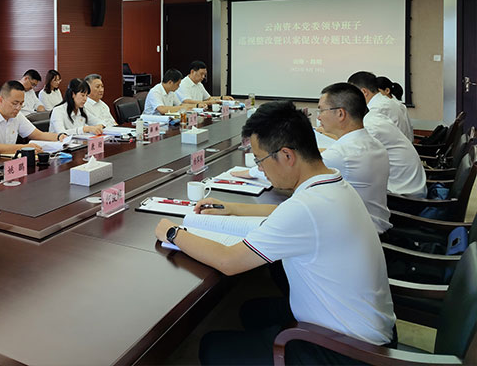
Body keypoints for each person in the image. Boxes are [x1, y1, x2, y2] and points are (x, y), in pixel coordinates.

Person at [154, 101, 396, 365]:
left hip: (349, 352)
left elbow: (228, 261)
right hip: (362, 325)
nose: (260, 169)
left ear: (287, 155)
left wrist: (173, 233)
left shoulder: (306, 208)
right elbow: (288, 214)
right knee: (250, 311)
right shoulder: (332, 184)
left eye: (261, 160)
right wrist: (233, 208)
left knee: (211, 347)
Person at [315, 82, 392, 234]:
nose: (319, 116)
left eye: (322, 110)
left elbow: (294, 179)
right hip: (375, 226)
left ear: (340, 114)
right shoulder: (373, 143)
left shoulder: (340, 154)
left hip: (358, 233)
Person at [0, 80, 67, 155]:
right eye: (15, 103)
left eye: (21, 104)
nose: (18, 108)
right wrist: (23, 147)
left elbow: (37, 134)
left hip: (1, 163)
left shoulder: (16, 115)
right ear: (1, 100)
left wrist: (59, 137)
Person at [348, 71, 413, 141]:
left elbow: (365, 139)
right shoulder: (386, 101)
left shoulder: (378, 108)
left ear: (364, 92)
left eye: (351, 93)